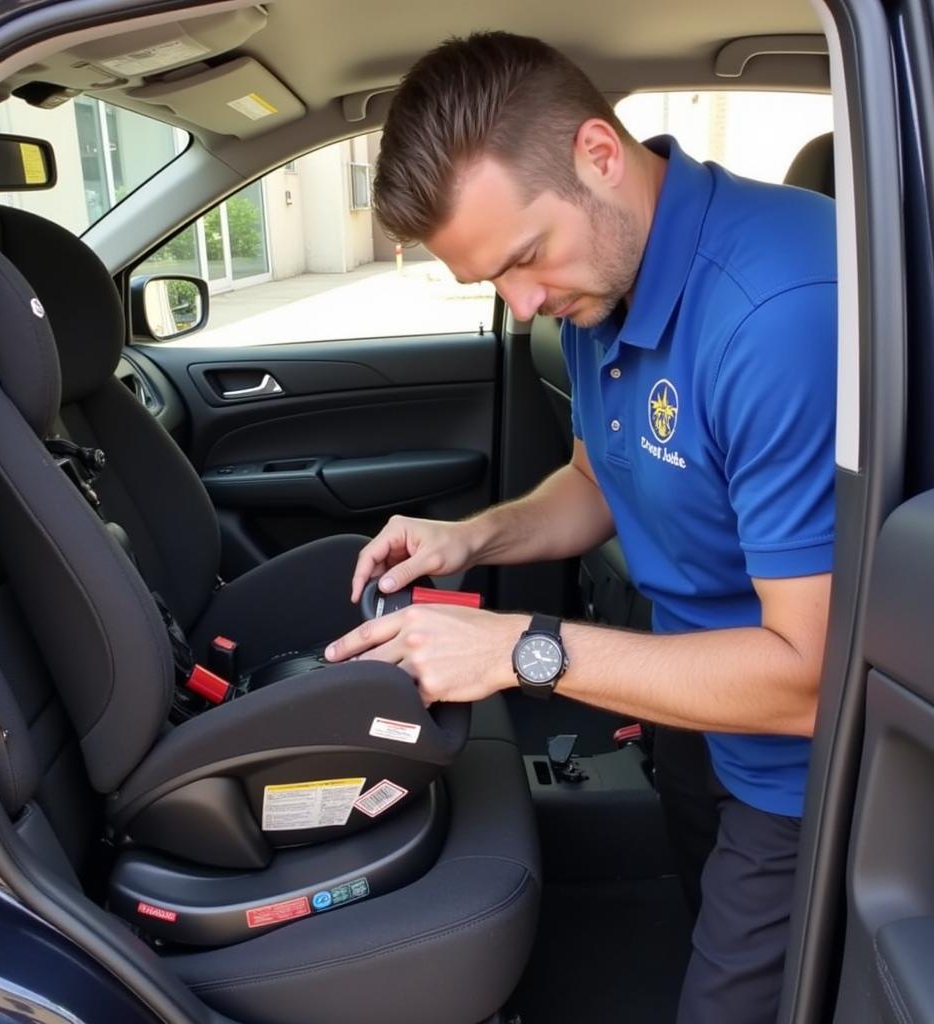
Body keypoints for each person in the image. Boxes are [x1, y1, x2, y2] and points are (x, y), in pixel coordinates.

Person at [323, 30, 837, 1024]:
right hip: (699, 708)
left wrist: (522, 648)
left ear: (600, 155)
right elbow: (598, 480)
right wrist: (470, 538)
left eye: (524, 259)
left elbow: (809, 680)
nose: (524, 306)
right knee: (686, 920)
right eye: (493, 284)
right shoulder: (608, 278)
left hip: (799, 763)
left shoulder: (774, 315)